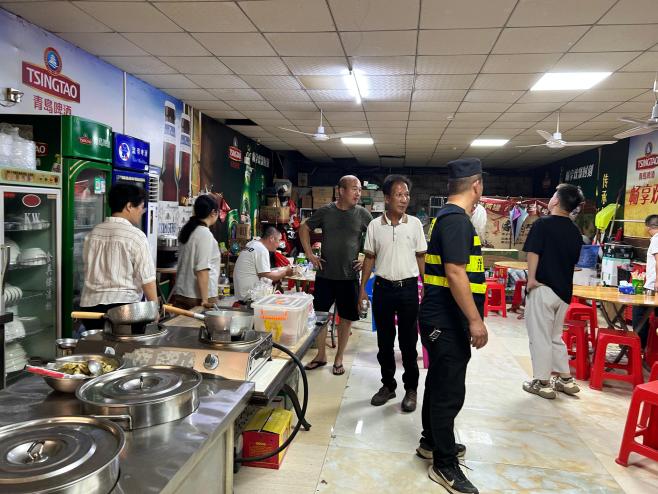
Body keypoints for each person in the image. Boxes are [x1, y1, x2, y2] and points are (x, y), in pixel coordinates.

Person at [417, 158, 488, 494]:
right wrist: (475, 320)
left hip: (440, 318)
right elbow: (456, 272)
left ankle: (431, 442)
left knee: (438, 382)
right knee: (449, 391)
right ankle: (444, 464)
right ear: (476, 185)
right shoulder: (457, 221)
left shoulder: (446, 217)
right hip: (445, 321)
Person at [358, 174, 427, 412]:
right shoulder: (375, 226)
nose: (404, 199)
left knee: (409, 342)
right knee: (385, 343)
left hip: (408, 289)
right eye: (399, 194)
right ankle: (388, 385)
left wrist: (427, 287)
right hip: (383, 289)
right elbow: (369, 258)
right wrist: (362, 290)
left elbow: (421, 258)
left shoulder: (415, 225)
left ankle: (411, 389)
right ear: (387, 198)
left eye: (406, 194)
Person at [301, 175, 372, 376]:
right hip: (325, 275)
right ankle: (321, 355)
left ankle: (339, 358)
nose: (358, 193)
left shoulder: (362, 214)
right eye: (354, 189)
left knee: (347, 318)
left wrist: (366, 258)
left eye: (360, 189)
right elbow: (304, 228)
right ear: (341, 190)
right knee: (320, 316)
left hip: (349, 277)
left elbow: (376, 236)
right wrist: (309, 254)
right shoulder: (326, 211)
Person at [522, 183, 585, 400]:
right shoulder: (575, 231)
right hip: (564, 292)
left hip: (543, 288)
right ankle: (565, 379)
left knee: (540, 336)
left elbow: (533, 253)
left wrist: (531, 279)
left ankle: (542, 382)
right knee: (555, 336)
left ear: (556, 201)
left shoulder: (543, 224)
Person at [80, 183, 157, 329]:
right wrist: (155, 309)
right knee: (126, 345)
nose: (142, 212)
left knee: (97, 344)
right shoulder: (136, 236)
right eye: (141, 207)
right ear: (129, 206)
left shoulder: (92, 234)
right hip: (125, 310)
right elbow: (147, 279)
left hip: (90, 309)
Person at [171, 194, 221, 310]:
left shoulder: (188, 230)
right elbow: (202, 269)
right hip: (197, 297)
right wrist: (205, 300)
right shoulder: (204, 233)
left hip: (182, 293)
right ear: (213, 212)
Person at [233, 226, 293, 302]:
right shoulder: (261, 250)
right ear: (271, 238)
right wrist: (286, 272)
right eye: (279, 240)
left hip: (241, 293)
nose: (278, 245)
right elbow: (270, 276)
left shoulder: (252, 244)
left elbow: (263, 272)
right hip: (249, 296)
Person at [632, 214, 658, 348]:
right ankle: (650, 347)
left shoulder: (656, 239)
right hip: (653, 285)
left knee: (639, 312)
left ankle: (639, 345)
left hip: (654, 286)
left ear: (648, 227)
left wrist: (657, 281)